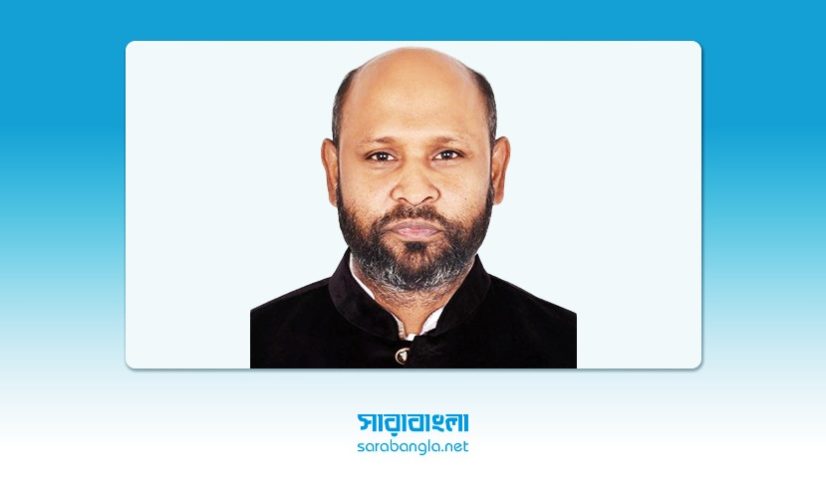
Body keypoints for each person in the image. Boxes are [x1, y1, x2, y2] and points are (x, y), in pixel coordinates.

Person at [251, 47, 575, 368]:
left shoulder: (571, 351)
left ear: (496, 173)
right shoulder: (252, 349)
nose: (415, 193)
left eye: (447, 154)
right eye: (381, 156)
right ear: (334, 174)